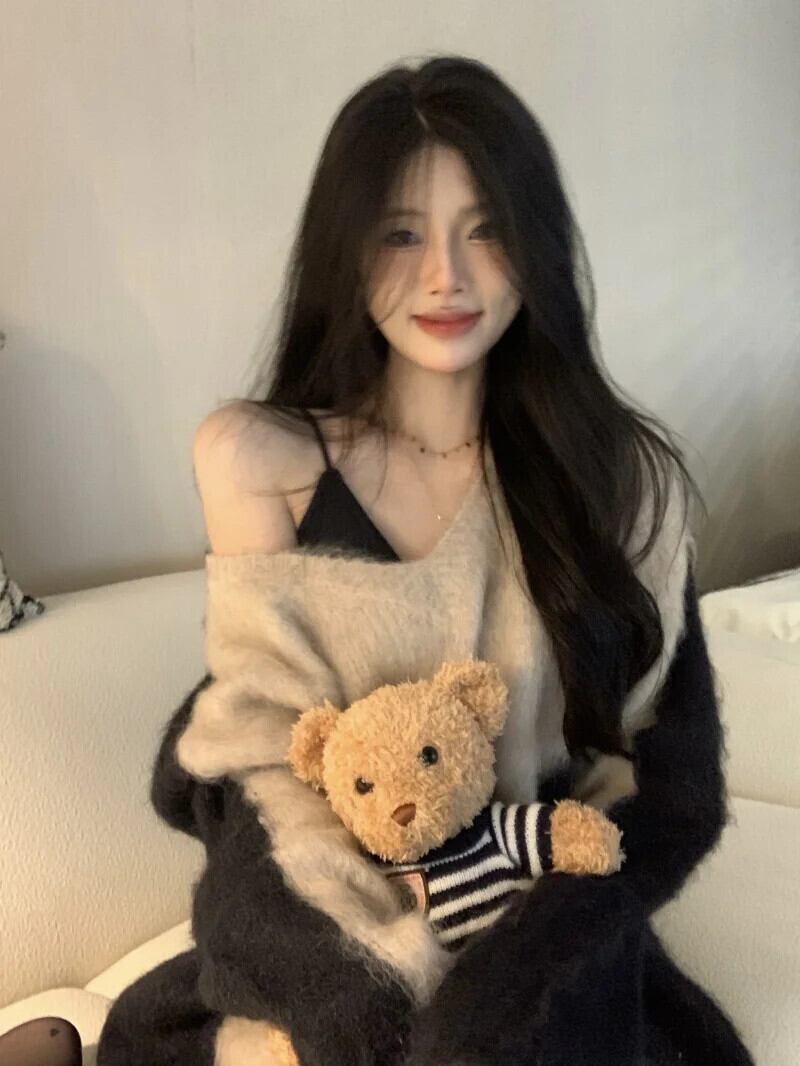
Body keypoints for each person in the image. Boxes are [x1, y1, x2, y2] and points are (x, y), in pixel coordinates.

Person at [97, 54, 753, 1065]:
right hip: (331, 921)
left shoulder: (615, 477)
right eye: (400, 233)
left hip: (537, 917)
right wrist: (367, 980)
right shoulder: (260, 459)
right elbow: (269, 758)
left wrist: (511, 976)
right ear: (344, 251)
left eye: (485, 229)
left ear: (536, 245)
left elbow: (663, 782)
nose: (446, 275)